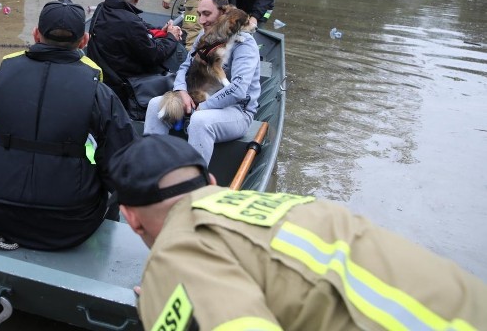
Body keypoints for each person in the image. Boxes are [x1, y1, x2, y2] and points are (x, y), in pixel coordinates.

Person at [110, 134, 487, 331]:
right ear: (211, 182)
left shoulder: (176, 255)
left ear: (131, 218)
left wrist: (164, 290)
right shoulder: (293, 206)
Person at [0, 0, 136, 250]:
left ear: (35, 34)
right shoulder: (100, 94)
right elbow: (123, 166)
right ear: (84, 41)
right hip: (72, 223)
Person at [143, 0, 259, 164]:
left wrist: (203, 107)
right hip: (200, 99)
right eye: (199, 14)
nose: (201, 21)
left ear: (223, 13)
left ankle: (193, 184)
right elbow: (184, 67)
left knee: (199, 121)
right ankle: (150, 171)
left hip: (237, 111)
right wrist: (181, 91)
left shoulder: (245, 45)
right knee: (154, 105)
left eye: (207, 14)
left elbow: (238, 90)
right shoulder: (203, 36)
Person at [86, 0, 186, 101]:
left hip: (104, 76)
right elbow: (155, 55)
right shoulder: (129, 22)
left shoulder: (102, 8)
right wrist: (171, 37)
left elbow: (139, 25)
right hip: (123, 84)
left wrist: (161, 30)